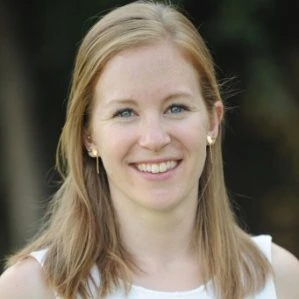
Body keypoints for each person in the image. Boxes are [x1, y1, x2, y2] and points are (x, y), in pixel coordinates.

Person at [0, 1, 298, 298]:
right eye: (125, 113)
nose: (154, 139)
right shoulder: (31, 288)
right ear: (88, 136)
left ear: (212, 122)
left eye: (176, 107)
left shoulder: (280, 280)